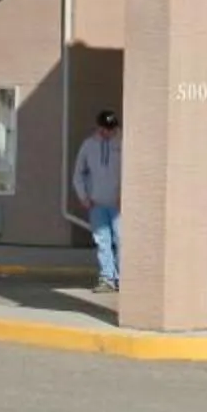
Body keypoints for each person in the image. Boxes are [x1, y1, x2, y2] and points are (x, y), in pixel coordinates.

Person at [72, 108, 123, 290]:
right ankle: (108, 278)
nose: (109, 132)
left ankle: (123, 278)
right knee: (102, 242)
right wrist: (83, 196)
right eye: (105, 129)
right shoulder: (89, 145)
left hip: (119, 204)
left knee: (121, 240)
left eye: (112, 128)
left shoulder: (123, 143)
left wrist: (125, 195)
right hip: (97, 203)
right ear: (99, 128)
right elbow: (78, 173)